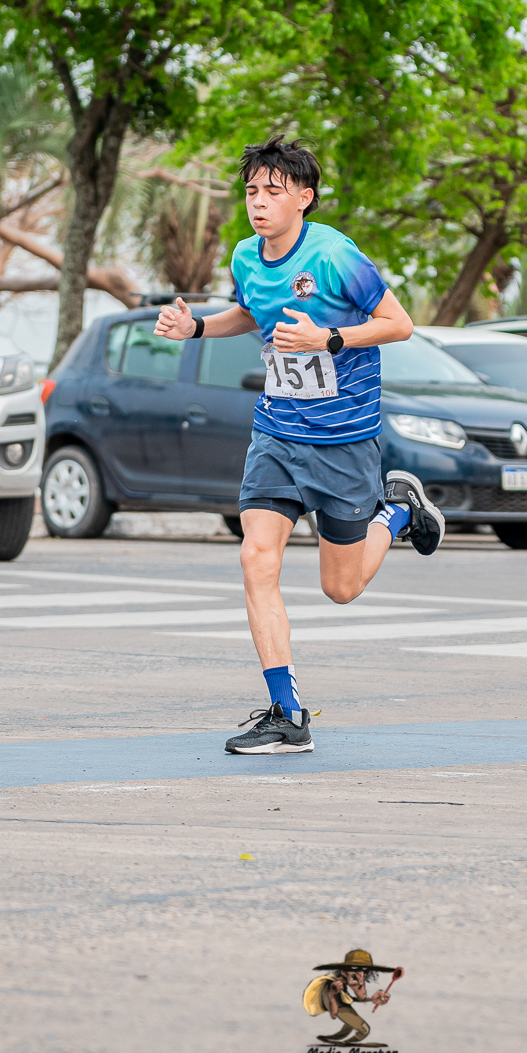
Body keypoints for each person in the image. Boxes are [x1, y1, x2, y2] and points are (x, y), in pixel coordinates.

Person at [154, 135, 443, 756]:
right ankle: (288, 714)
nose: (258, 203)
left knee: (341, 589)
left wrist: (330, 340)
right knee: (255, 559)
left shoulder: (336, 256)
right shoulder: (245, 257)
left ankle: (396, 510)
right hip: (277, 433)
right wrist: (197, 326)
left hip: (343, 442)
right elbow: (251, 313)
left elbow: (400, 324)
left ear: (304, 199)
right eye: (252, 192)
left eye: (273, 192)